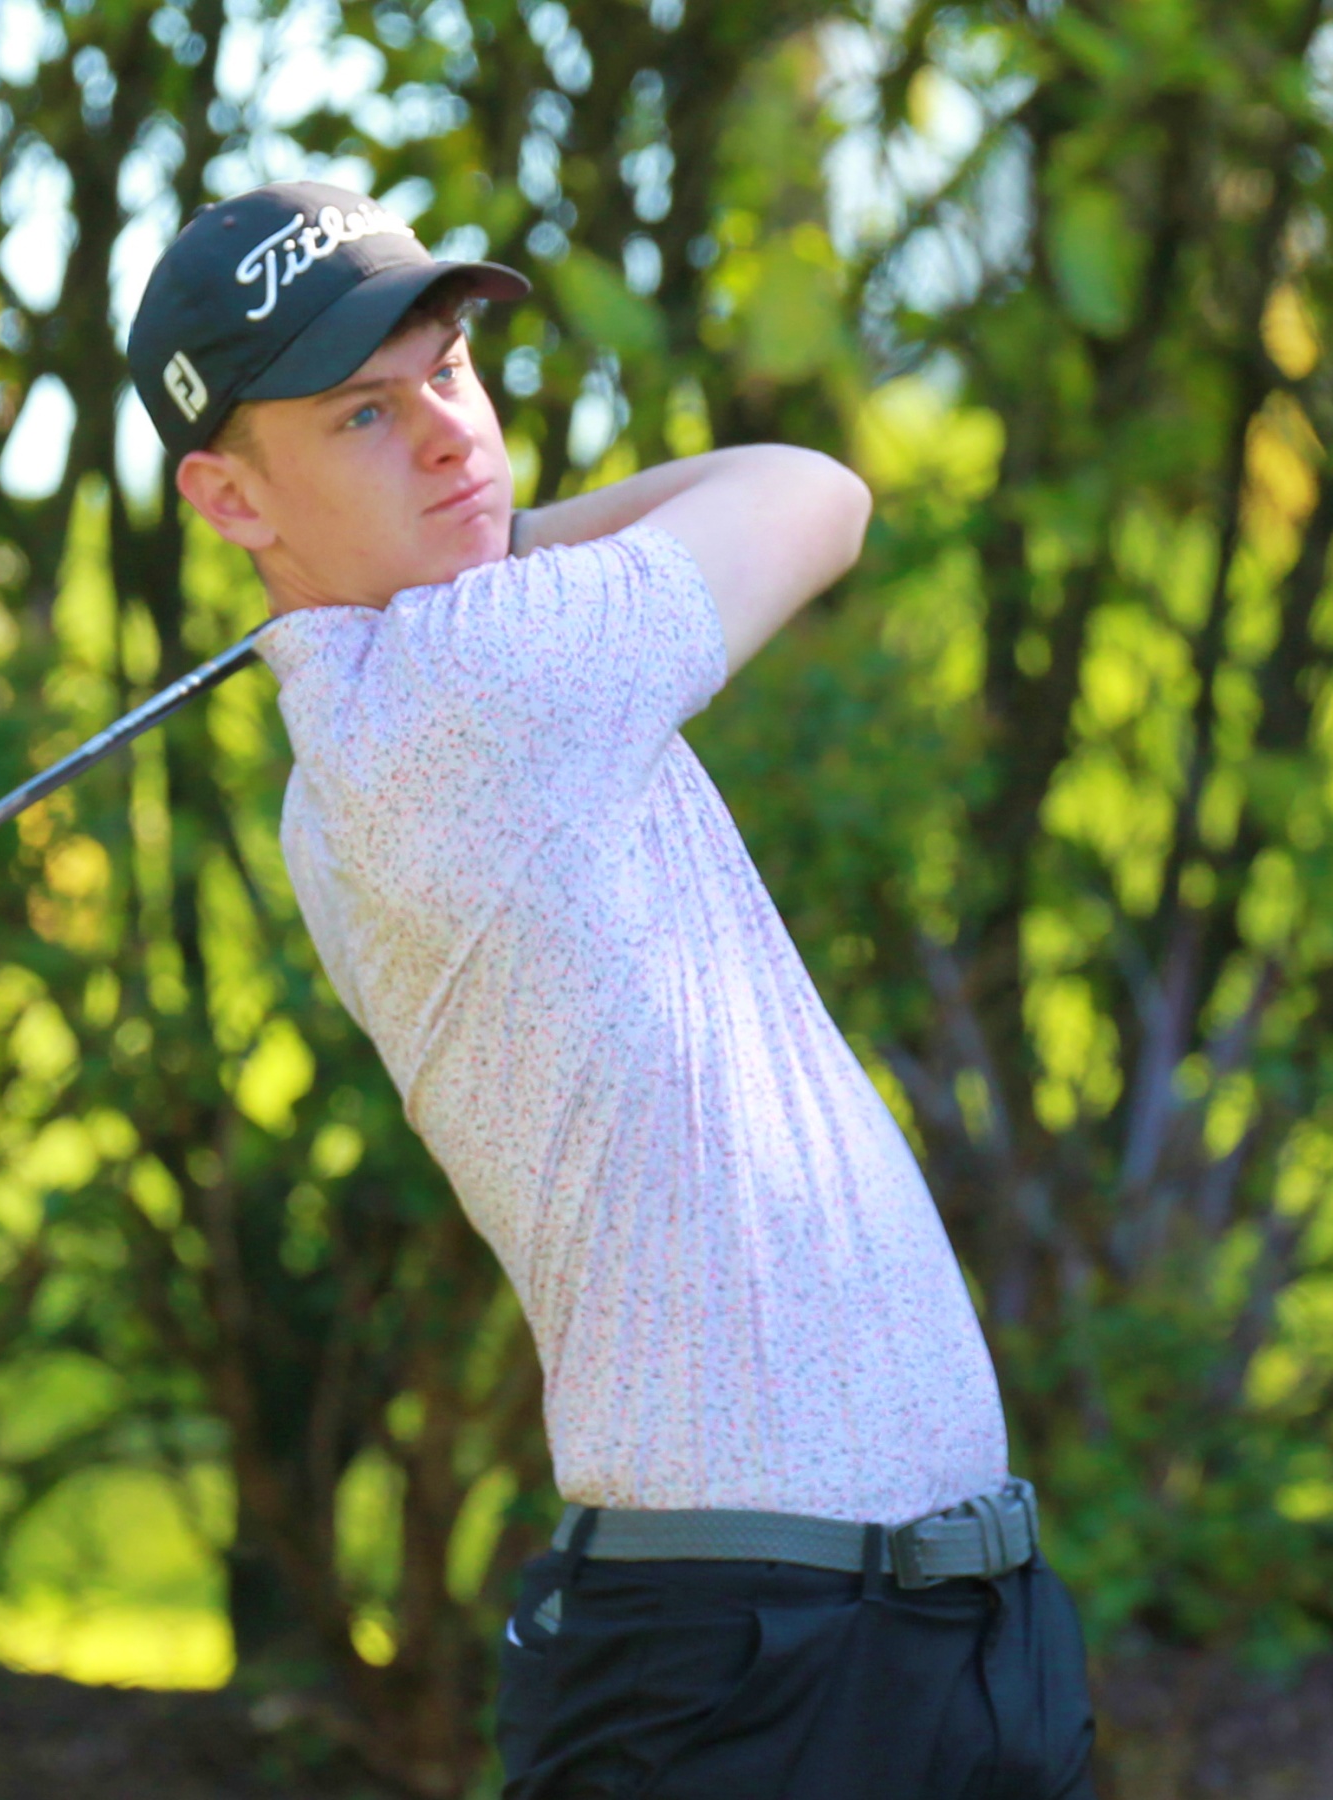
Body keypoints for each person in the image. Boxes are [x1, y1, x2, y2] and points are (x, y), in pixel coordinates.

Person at [126, 180, 1098, 1799]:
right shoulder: (482, 685)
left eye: (449, 371)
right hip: (763, 1662)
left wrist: (438, 549)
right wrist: (505, 538)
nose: (448, 435)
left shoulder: (384, 734)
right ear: (229, 496)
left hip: (915, 1631)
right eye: (365, 414)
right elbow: (812, 492)